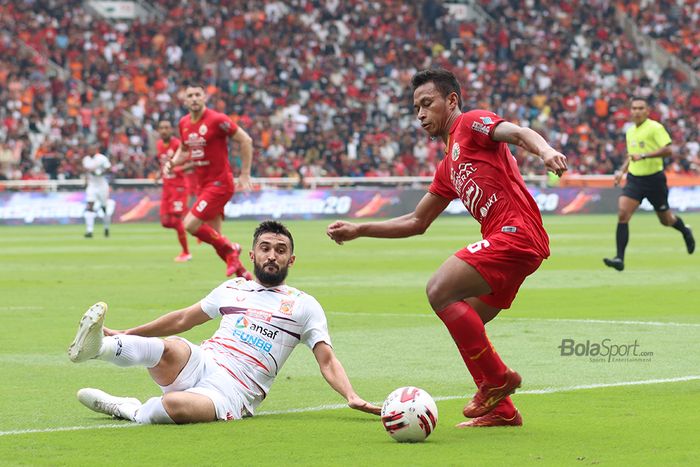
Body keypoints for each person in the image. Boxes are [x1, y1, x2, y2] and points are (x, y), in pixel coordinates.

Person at [327, 68, 568, 428]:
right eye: (416, 108)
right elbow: (416, 222)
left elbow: (517, 132)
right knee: (466, 321)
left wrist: (545, 150)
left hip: (515, 233)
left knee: (439, 289)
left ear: (451, 101)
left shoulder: (471, 124)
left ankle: (499, 379)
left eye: (427, 103)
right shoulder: (448, 166)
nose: (421, 114)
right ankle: (501, 410)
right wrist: (361, 229)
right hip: (512, 243)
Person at [68, 220, 381, 424]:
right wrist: (127, 331)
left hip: (234, 391)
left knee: (174, 406)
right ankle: (100, 346)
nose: (272, 255)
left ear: (291, 260)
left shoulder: (304, 305)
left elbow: (327, 360)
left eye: (281, 250)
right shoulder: (233, 288)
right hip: (204, 360)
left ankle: (129, 409)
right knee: (171, 347)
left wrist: (351, 395)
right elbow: (182, 319)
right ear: (252, 255)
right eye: (266, 248)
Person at [165, 83, 253, 278]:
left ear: (204, 97)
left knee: (190, 225)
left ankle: (232, 248)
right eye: (190, 95)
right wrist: (173, 162)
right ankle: (244, 275)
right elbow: (184, 150)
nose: (194, 98)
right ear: (185, 100)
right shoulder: (184, 123)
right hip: (203, 186)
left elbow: (245, 140)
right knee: (215, 238)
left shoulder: (217, 120)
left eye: (198, 94)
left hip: (220, 183)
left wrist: (245, 173)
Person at [604, 96, 694, 271]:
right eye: (634, 108)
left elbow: (668, 150)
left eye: (640, 108)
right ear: (630, 111)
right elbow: (631, 156)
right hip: (635, 179)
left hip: (654, 180)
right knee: (623, 213)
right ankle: (619, 258)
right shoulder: (630, 131)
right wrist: (621, 172)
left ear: (647, 111)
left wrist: (645, 155)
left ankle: (685, 231)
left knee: (666, 220)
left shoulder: (655, 127)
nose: (637, 111)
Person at [155, 119, 191, 262]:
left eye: (167, 127)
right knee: (165, 221)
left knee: (176, 220)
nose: (164, 130)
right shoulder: (159, 145)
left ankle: (186, 252)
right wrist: (160, 173)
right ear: (158, 130)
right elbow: (164, 164)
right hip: (167, 187)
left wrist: (174, 169)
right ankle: (193, 221)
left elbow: (190, 164)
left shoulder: (177, 144)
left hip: (179, 187)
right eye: (162, 128)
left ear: (171, 130)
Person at [82, 146, 112, 238]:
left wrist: (100, 173)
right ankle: (89, 231)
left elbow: (109, 169)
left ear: (96, 150)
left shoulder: (102, 158)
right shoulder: (86, 160)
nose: (90, 151)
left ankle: (106, 227)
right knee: (90, 205)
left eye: (92, 149)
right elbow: (86, 172)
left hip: (102, 185)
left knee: (104, 207)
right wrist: (85, 182)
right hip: (92, 185)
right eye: (89, 149)